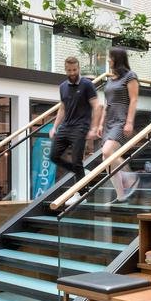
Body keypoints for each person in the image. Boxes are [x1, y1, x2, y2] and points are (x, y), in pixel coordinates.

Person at [49, 56, 101, 206]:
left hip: (80, 127)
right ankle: (82, 173)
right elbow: (62, 107)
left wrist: (94, 128)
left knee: (76, 160)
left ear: (78, 69)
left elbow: (97, 106)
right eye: (69, 70)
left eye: (75, 70)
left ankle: (82, 193)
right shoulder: (63, 86)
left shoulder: (87, 84)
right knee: (54, 156)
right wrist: (54, 127)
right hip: (66, 126)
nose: (72, 73)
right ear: (65, 70)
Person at [97, 47, 140, 204]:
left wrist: (129, 122)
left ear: (117, 59)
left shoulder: (130, 76)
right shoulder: (110, 80)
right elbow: (107, 104)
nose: (108, 60)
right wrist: (101, 124)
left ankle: (131, 176)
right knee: (105, 158)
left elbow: (134, 99)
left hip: (121, 120)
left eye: (110, 57)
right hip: (109, 121)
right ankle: (121, 195)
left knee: (108, 152)